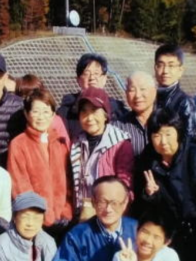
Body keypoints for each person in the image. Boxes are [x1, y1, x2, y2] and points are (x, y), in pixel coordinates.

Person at [134, 109, 196, 261]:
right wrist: (150, 194)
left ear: (179, 133)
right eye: (156, 135)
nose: (163, 141)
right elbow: (143, 206)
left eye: (168, 134)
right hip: (171, 235)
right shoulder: (147, 161)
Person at [7, 88, 72, 241]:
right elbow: (20, 186)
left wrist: (66, 211)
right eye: (36, 111)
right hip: (34, 222)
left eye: (46, 111)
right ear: (26, 114)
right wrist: (42, 215)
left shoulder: (60, 143)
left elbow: (68, 182)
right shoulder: (18, 144)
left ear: (53, 115)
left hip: (62, 221)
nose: (41, 117)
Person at [69, 87, 134, 222]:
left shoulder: (120, 143)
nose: (89, 118)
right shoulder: (76, 142)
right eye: (84, 111)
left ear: (105, 115)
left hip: (110, 213)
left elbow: (125, 183)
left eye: (94, 111)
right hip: (83, 213)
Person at [57, 53, 129, 140]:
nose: (92, 78)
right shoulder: (66, 112)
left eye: (96, 73)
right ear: (78, 79)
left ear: (104, 78)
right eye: (86, 73)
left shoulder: (119, 112)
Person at [153, 43, 196, 140]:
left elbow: (189, 138)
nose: (165, 71)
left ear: (180, 70)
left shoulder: (184, 102)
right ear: (155, 68)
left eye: (171, 66)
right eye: (160, 65)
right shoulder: (150, 98)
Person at [14, 74, 70, 144]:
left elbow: (65, 144)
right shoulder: (16, 118)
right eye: (24, 96)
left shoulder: (55, 120)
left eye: (35, 92)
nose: (30, 98)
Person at [114, 71, 157, 156]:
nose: (137, 95)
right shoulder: (117, 127)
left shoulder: (167, 121)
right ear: (126, 94)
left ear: (154, 92)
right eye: (132, 90)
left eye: (142, 89)